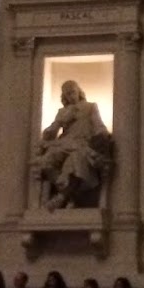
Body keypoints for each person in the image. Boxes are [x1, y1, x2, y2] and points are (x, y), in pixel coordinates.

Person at [34, 81, 112, 210]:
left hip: (81, 143)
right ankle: (67, 191)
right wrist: (61, 121)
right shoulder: (62, 112)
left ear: (78, 92)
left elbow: (98, 126)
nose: (71, 96)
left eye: (72, 92)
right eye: (67, 94)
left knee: (75, 161)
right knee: (46, 161)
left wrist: (103, 138)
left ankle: (62, 197)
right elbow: (49, 135)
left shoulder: (90, 107)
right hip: (63, 144)